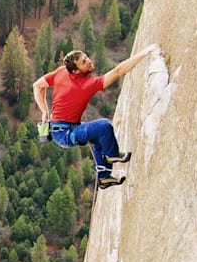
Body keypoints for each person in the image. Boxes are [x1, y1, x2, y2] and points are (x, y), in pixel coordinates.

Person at [33, 45, 157, 188]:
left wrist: (44, 111)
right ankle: (112, 155)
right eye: (84, 62)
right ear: (76, 70)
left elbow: (37, 86)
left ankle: (104, 178)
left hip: (63, 129)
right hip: (64, 134)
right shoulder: (87, 84)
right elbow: (118, 72)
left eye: (86, 57)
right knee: (104, 126)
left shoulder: (61, 72)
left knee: (98, 138)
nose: (89, 61)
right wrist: (145, 53)